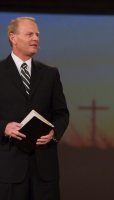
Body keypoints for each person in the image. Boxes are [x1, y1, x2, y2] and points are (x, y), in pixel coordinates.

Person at [0, 17, 69, 200]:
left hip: (45, 171)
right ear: (13, 38)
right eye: (29, 34)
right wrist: (4, 127)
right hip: (8, 171)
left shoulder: (50, 74)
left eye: (37, 34)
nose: (35, 39)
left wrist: (53, 132)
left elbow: (62, 113)